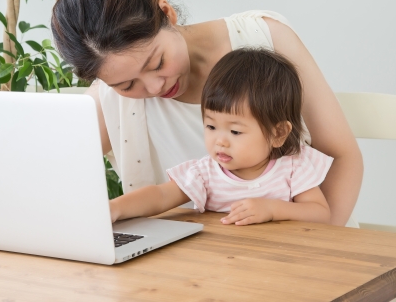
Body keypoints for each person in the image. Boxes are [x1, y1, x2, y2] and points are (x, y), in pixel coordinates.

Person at [51, 0, 362, 226]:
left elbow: (342, 156)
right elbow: (50, 177)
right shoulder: (108, 101)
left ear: (167, 13)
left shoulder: (264, 38)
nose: (155, 87)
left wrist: (318, 247)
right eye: (127, 85)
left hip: (307, 245)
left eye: (157, 62)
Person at [109, 48, 332, 225]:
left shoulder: (293, 166)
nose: (220, 141)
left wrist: (272, 209)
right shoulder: (205, 174)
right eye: (211, 126)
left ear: (278, 133)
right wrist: (115, 208)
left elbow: (320, 213)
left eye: (235, 131)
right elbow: (160, 196)